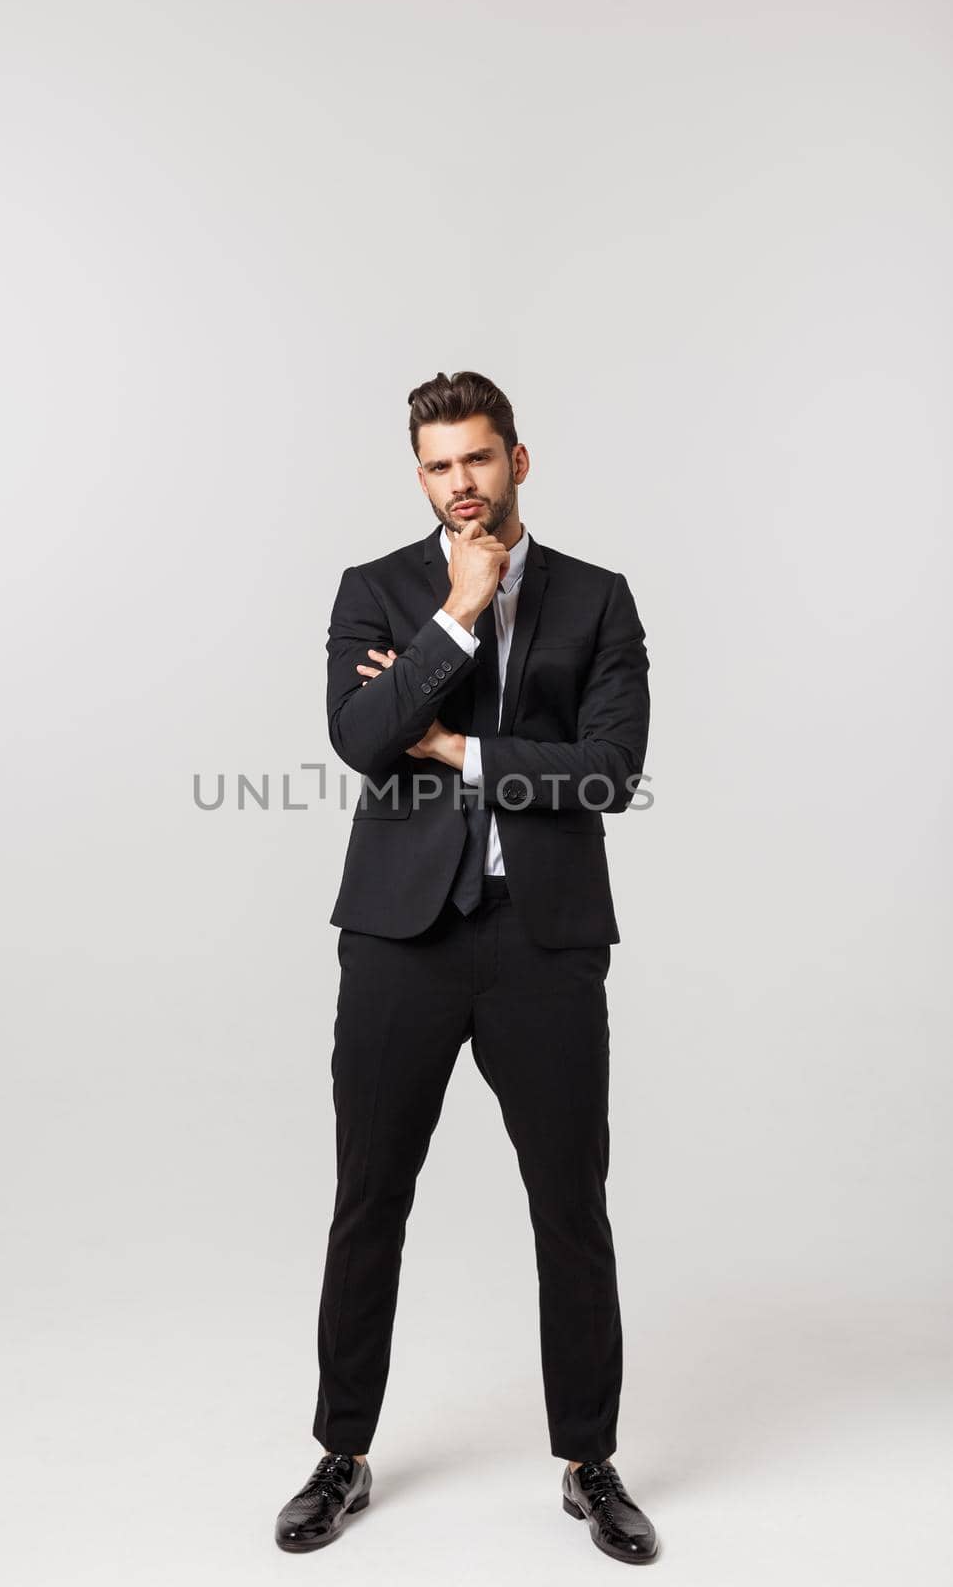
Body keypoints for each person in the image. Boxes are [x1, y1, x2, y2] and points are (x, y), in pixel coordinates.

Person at [274, 370, 658, 1564]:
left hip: (542, 942)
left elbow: (607, 769)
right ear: (420, 474)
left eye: (478, 460)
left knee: (569, 1208)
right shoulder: (375, 592)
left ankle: (587, 1461)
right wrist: (455, 613)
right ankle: (341, 1453)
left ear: (517, 462)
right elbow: (355, 740)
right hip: (400, 941)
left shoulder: (597, 601)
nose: (461, 485)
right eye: (439, 466)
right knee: (367, 1201)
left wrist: (451, 741)